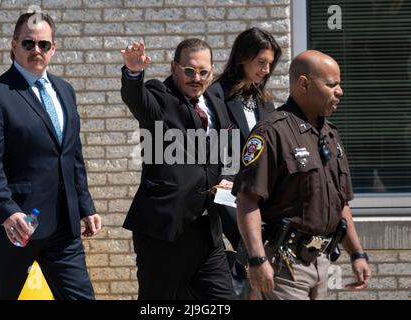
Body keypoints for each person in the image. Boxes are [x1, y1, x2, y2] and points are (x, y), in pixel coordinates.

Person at [0, 12, 101, 300]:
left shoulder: (65, 91)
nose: (36, 50)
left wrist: (85, 205)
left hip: (63, 226)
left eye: (43, 44)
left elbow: (72, 154)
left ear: (53, 48)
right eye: (28, 43)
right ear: (14, 45)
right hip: (16, 227)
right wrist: (8, 212)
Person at [232, 50, 371, 300]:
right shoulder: (271, 133)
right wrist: (257, 258)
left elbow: (340, 203)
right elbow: (247, 199)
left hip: (321, 261)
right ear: (304, 84)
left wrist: (357, 253)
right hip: (283, 266)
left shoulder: (330, 134)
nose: (339, 91)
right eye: (332, 84)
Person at [120, 38, 235, 299]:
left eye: (203, 72)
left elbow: (228, 154)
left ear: (212, 72)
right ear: (174, 67)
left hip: (208, 232)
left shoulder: (216, 104)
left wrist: (228, 178)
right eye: (189, 70)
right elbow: (137, 100)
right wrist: (134, 73)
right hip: (165, 231)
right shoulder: (160, 96)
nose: (197, 78)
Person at [207, 28, 281, 298]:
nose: (266, 69)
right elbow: (212, 154)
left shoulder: (264, 100)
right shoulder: (215, 95)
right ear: (242, 58)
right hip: (226, 201)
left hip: (260, 202)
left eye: (270, 64)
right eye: (261, 62)